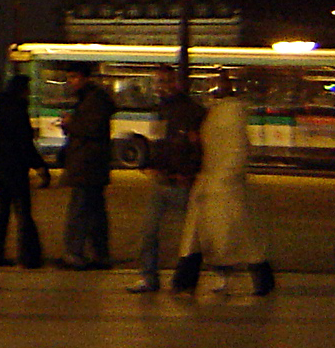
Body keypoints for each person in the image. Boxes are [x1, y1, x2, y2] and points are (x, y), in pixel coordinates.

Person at [175, 68, 274, 295]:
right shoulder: (223, 112)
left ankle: (192, 278)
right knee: (218, 235)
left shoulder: (227, 113)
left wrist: (225, 175)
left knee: (223, 235)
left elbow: (236, 149)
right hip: (216, 182)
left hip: (220, 184)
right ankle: (189, 278)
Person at [128, 63, 205, 292]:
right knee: (149, 232)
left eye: (166, 81)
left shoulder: (191, 111)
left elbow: (198, 147)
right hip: (162, 179)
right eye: (158, 82)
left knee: (194, 234)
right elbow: (162, 144)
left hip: (181, 182)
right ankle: (149, 277)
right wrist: (149, 163)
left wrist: (189, 172)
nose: (161, 87)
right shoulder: (161, 110)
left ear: (178, 83)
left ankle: (192, 277)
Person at [0, 73, 50, 268]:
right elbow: (24, 143)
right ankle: (29, 256)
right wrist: (39, 166)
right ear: (22, 90)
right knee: (24, 214)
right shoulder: (18, 109)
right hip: (14, 169)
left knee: (0, 214)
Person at [56, 62, 116, 269]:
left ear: (85, 78)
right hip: (92, 165)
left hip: (87, 165)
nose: (70, 82)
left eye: (73, 77)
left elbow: (91, 128)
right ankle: (99, 254)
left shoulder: (93, 100)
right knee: (94, 212)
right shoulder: (92, 99)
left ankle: (74, 254)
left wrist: (70, 123)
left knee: (80, 211)